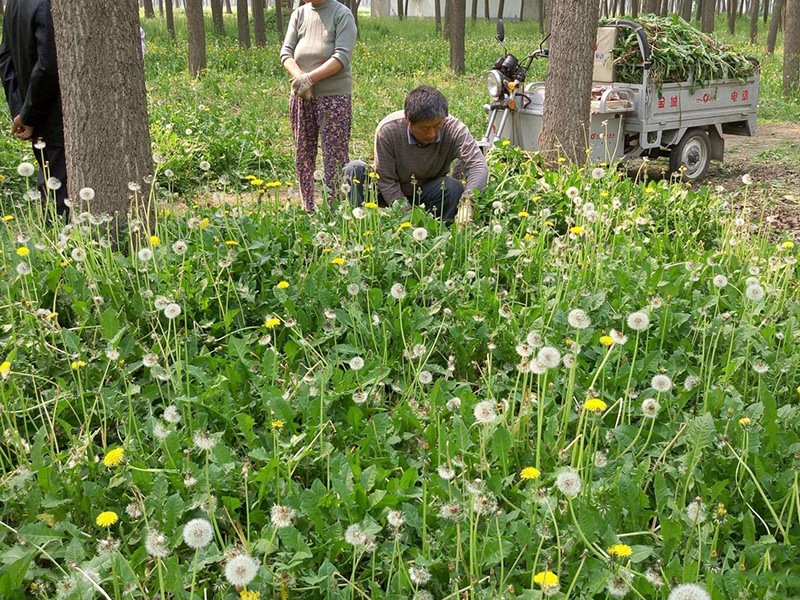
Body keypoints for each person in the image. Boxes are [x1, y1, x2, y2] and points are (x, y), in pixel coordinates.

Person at [343, 85, 488, 223]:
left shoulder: (454, 129)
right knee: (354, 169)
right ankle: (360, 224)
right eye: (424, 128)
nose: (432, 134)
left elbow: (478, 165)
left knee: (452, 187)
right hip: (387, 194)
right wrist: (406, 214)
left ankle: (440, 231)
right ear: (408, 121)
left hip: (427, 192)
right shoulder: (388, 130)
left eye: (437, 126)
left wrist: (467, 202)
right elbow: (386, 179)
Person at [280, 0, 357, 212]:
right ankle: (308, 207)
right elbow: (286, 53)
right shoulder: (299, 14)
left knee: (335, 155)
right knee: (303, 152)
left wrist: (311, 79)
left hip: (334, 98)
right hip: (302, 95)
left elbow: (341, 56)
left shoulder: (342, 15)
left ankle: (335, 210)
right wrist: (301, 79)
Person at [0, 0, 68, 217]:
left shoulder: (14, 3)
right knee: (60, 196)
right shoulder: (49, 3)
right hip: (57, 117)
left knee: (50, 187)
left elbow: (5, 60)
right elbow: (47, 66)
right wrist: (27, 116)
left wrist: (21, 112)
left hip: (38, 116)